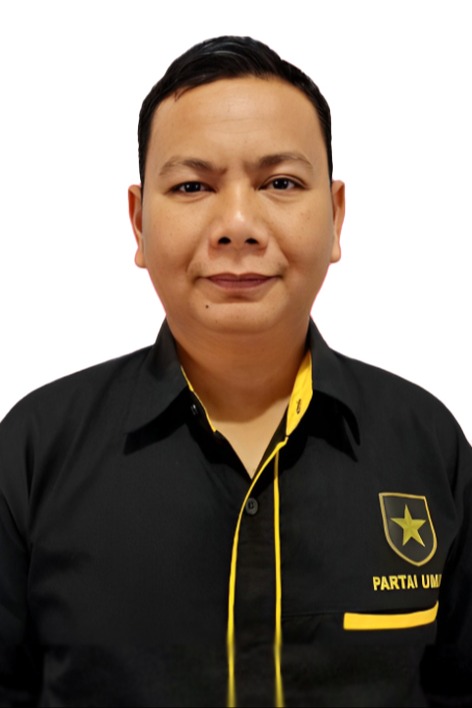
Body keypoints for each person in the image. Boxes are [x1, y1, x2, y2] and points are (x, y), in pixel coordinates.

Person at [0, 35, 470, 708]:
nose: (239, 225)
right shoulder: (34, 451)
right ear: (138, 222)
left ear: (336, 216)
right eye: (193, 186)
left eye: (281, 183)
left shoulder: (427, 444)